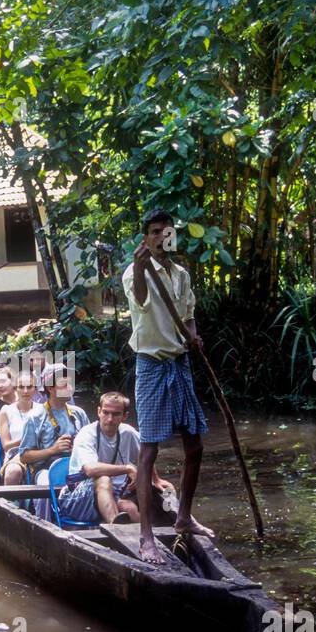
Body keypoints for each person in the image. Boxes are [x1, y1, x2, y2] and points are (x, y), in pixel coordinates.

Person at [122, 208, 212, 564]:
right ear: (146, 238)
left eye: (167, 232)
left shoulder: (181, 275)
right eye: (156, 232)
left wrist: (193, 337)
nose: (163, 237)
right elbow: (142, 301)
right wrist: (142, 267)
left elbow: (188, 316)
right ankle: (145, 536)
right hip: (152, 365)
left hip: (180, 363)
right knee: (149, 451)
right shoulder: (135, 271)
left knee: (195, 446)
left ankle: (184, 518)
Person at [57, 391, 175, 526]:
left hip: (112, 496)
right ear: (99, 411)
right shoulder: (87, 434)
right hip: (76, 500)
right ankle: (115, 527)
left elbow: (145, 455)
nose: (109, 419)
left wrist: (156, 479)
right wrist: (128, 468)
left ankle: (162, 532)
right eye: (106, 412)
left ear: (125, 416)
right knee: (103, 479)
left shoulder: (128, 433)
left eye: (116, 414)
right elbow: (90, 469)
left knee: (155, 495)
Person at [17, 363, 88, 496]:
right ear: (50, 387)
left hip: (77, 468)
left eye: (70, 384)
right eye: (64, 384)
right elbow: (24, 456)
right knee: (46, 483)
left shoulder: (79, 414)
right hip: (45, 470)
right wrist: (52, 450)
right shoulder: (35, 417)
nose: (70, 388)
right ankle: (43, 517)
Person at [0, 374, 42, 485]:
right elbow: (6, 445)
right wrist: (28, 438)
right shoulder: (6, 411)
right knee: (13, 471)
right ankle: (9, 501)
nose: (25, 391)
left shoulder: (43, 409)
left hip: (38, 452)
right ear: (15, 388)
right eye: (21, 387)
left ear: (35, 389)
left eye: (29, 387)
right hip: (16, 453)